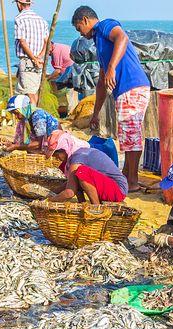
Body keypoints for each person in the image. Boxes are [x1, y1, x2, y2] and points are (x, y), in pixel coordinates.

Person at [72, 6, 150, 193]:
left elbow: (122, 37)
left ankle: (132, 180)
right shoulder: (99, 44)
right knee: (126, 135)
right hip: (124, 91)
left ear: (85, 20)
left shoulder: (104, 26)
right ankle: (126, 175)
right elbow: (101, 83)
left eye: (78, 28)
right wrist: (96, 113)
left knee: (131, 135)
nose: (80, 34)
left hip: (132, 85)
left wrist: (112, 67)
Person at [47, 131, 127, 204]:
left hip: (118, 191)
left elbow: (70, 193)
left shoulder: (78, 157)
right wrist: (50, 192)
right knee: (76, 176)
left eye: (57, 155)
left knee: (82, 172)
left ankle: (96, 207)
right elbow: (71, 183)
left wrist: (49, 200)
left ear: (65, 150)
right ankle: (82, 202)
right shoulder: (77, 153)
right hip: (110, 187)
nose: (57, 158)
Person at [14, 0, 48, 104]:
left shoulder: (19, 19)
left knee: (29, 93)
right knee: (32, 91)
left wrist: (33, 58)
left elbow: (22, 42)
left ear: (18, 4)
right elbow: (46, 41)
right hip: (39, 60)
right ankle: (29, 117)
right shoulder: (42, 20)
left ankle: (33, 117)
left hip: (28, 60)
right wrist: (39, 57)